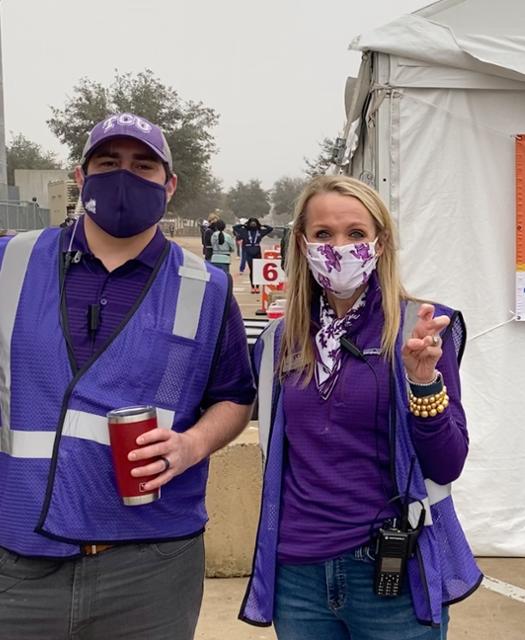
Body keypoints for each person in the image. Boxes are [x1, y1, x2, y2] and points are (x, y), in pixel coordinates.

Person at [0, 112, 256, 640]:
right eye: (108, 162)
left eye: (143, 165)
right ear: (80, 176)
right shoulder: (10, 263)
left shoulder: (205, 288)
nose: (124, 176)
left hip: (149, 566)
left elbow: (234, 397)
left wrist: (190, 447)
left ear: (170, 184)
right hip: (16, 559)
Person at [240, 176, 481, 638]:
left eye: (355, 234)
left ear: (381, 242)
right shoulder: (276, 341)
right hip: (298, 575)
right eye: (323, 234)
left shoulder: (420, 326)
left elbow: (447, 464)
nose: (339, 248)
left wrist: (423, 380)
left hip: (391, 571)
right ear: (302, 242)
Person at [233, 217, 273, 293]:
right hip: (248, 252)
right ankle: (252, 286)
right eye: (251, 222)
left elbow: (270, 229)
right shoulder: (244, 231)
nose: (253, 223)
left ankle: (257, 287)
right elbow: (235, 227)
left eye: (254, 222)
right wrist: (244, 225)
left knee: (257, 270)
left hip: (257, 251)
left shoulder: (260, 231)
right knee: (252, 270)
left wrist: (262, 225)